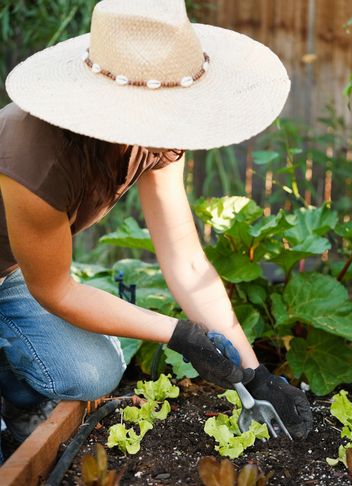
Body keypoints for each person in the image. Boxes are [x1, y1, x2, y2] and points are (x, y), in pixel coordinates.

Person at [0, 0, 312, 461]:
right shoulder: (35, 160)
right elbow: (57, 291)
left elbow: (186, 261)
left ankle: (15, 388)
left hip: (9, 273)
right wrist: (178, 334)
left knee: (94, 371)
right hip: (36, 280)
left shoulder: (154, 137)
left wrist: (253, 372)